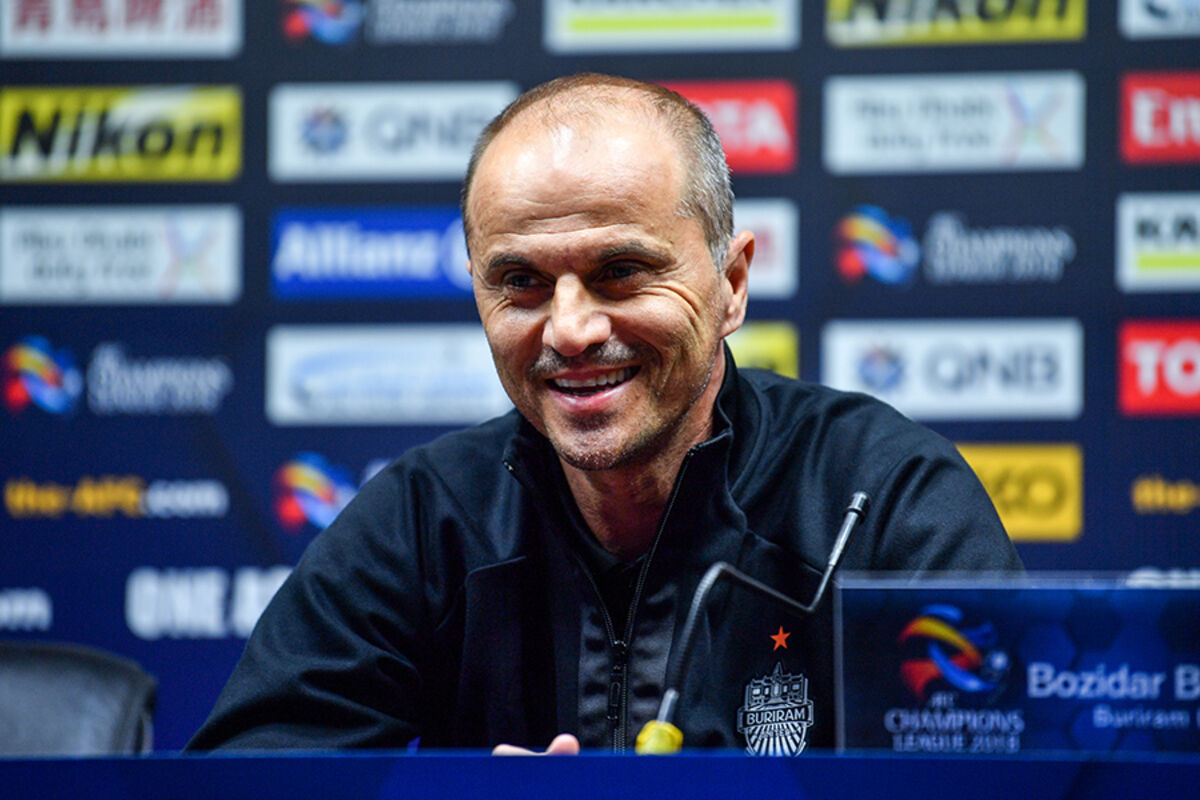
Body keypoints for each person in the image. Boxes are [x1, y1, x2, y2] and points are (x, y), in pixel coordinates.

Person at [187, 73, 1022, 756]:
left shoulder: (880, 500)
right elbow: (244, 782)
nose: (571, 330)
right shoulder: (425, 518)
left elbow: (1007, 781)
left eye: (621, 271)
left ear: (731, 286)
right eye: (521, 282)